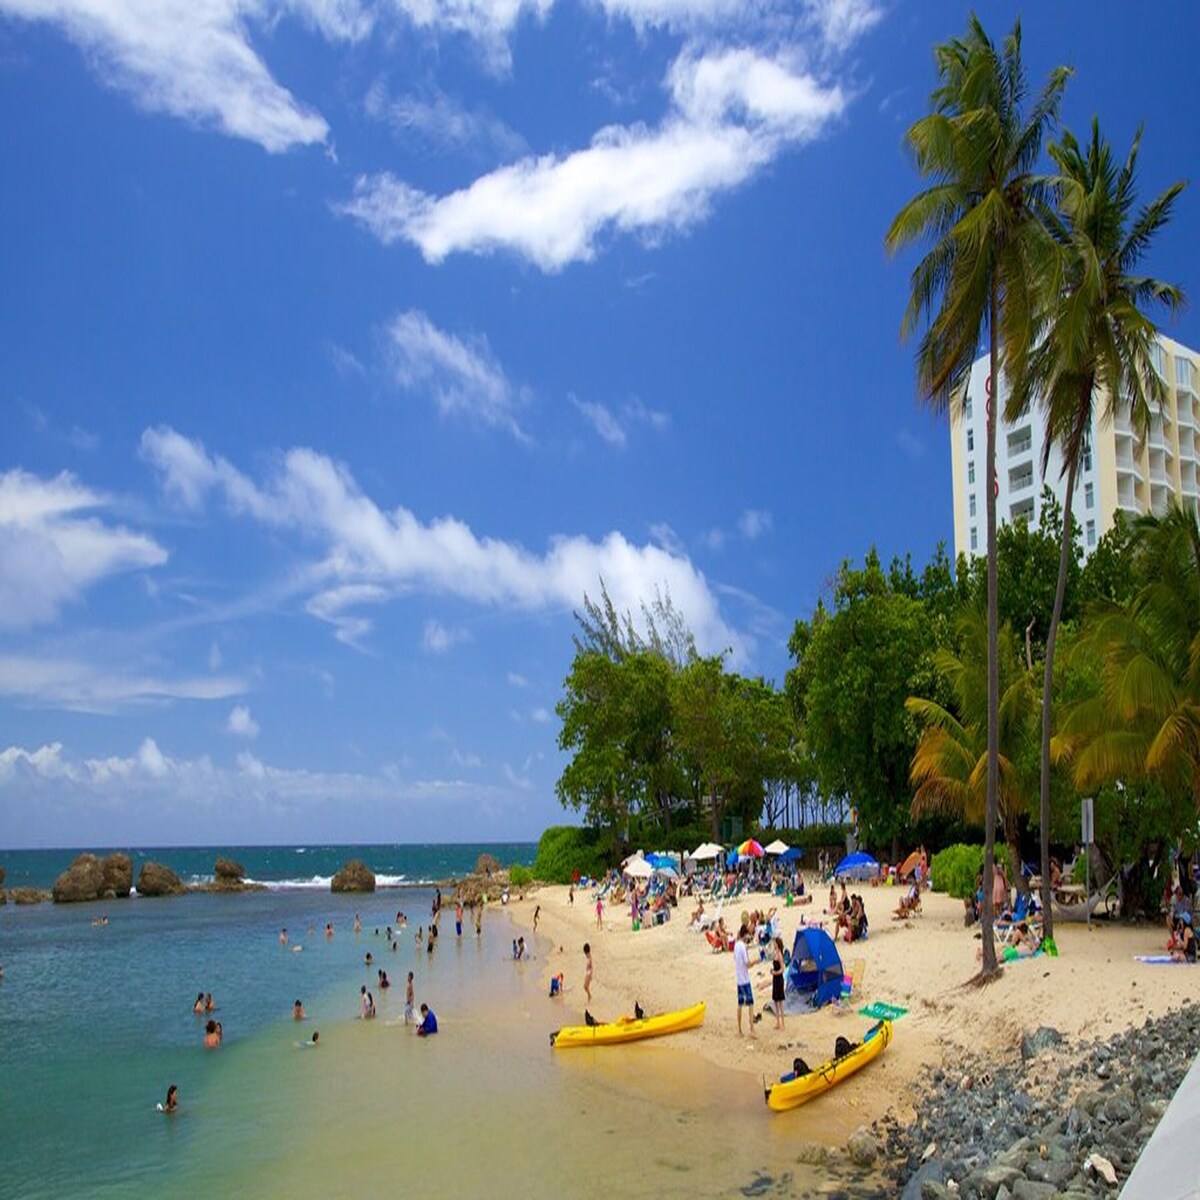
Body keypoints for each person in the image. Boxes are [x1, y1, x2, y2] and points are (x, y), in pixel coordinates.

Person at [734, 924, 755, 1038]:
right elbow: (747, 964)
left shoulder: (737, 945)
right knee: (750, 1004)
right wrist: (756, 961)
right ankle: (751, 1029)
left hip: (739, 979)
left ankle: (739, 1029)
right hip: (745, 980)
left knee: (740, 1004)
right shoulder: (742, 946)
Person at [770, 935, 786, 1030]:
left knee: (780, 1002)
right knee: (776, 1001)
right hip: (775, 979)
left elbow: (782, 969)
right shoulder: (776, 953)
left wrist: (775, 972)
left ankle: (782, 1022)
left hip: (779, 979)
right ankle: (778, 1022)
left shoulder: (779, 954)